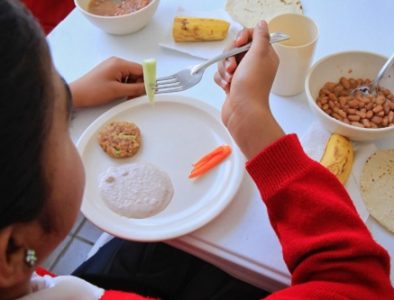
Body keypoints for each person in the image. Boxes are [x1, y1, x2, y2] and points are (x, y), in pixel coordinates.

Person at [0, 1, 393, 300]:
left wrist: (67, 96)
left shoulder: (26, 271)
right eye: (61, 125)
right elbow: (356, 280)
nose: (69, 118)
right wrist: (252, 120)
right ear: (13, 248)